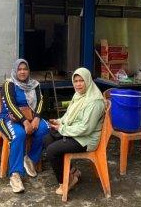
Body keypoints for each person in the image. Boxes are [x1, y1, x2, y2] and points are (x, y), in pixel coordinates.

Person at [44, 67, 104, 195]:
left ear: (88, 81)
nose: (78, 84)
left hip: (86, 140)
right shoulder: (79, 95)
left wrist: (62, 129)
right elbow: (69, 115)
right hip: (77, 134)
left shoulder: (95, 101)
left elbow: (86, 128)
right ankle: (72, 171)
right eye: (75, 81)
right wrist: (59, 121)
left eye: (81, 80)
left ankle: (66, 181)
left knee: (52, 150)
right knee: (47, 138)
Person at [0, 59, 49, 193]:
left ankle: (30, 159)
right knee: (19, 135)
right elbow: (10, 104)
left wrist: (37, 118)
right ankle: (15, 174)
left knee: (45, 129)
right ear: (15, 70)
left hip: (31, 116)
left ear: (29, 71)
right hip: (9, 117)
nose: (22, 72)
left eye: (25, 69)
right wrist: (25, 122)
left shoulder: (34, 84)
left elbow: (41, 101)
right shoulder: (8, 84)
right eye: (19, 69)